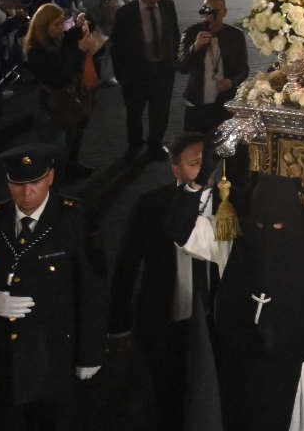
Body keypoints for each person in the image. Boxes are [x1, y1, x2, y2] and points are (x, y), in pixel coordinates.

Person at [0, 145, 105, 431]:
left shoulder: (75, 220)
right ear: (8, 183)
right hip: (0, 351)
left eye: (35, 182)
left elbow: (92, 291)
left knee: (47, 421)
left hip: (51, 350)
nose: (27, 192)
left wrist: (90, 352)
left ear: (51, 177)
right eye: (18, 184)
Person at [214, 174, 304, 431]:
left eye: (277, 226)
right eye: (261, 225)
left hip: (293, 374)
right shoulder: (236, 245)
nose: (268, 234)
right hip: (242, 375)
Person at [109, 132, 221, 431]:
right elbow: (127, 265)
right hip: (167, 318)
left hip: (216, 322)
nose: (206, 169)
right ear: (175, 168)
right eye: (196, 163)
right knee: (167, 395)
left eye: (209, 162)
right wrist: (119, 327)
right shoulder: (151, 205)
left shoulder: (230, 205)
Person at [23, 4, 102, 180]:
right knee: (55, 146)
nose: (62, 29)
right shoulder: (35, 51)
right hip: (52, 104)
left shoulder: (57, 39)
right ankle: (57, 179)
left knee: (75, 133)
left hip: (70, 98)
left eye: (62, 23)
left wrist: (83, 23)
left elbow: (76, 34)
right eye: (57, 25)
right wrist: (79, 51)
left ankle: (72, 165)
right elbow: (59, 76)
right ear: (43, 27)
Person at [113, 0, 179, 156]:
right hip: (137, 73)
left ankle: (155, 143)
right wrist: (122, 76)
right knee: (135, 111)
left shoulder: (168, 6)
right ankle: (135, 143)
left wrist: (173, 61)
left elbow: (174, 35)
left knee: (160, 110)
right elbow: (117, 47)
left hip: (163, 71)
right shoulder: (126, 13)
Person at [181, 0, 248, 133]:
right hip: (196, 102)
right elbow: (181, 67)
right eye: (206, 11)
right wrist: (195, 47)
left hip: (225, 102)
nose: (210, 16)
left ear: (224, 12)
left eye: (215, 12)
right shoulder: (191, 33)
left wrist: (231, 81)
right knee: (194, 146)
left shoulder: (235, 36)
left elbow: (243, 69)